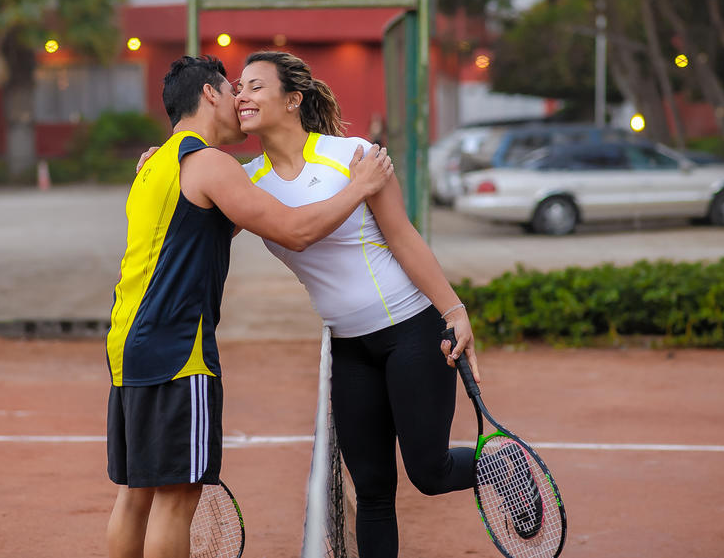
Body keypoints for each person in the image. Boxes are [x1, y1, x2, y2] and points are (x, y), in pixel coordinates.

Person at [139, 52, 481, 558]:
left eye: (255, 86)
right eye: (238, 87)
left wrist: (454, 311)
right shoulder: (245, 179)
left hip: (411, 329)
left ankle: (501, 467)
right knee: (372, 493)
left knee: (428, 474)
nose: (242, 97)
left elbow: (404, 238)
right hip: (347, 348)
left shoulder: (353, 156)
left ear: (292, 100)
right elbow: (192, 217)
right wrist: (165, 166)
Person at [106, 55, 394, 558]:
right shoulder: (211, 165)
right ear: (210, 95)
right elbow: (295, 231)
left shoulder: (157, 166)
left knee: (136, 496)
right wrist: (361, 187)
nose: (241, 98)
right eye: (233, 88)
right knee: (175, 501)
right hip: (178, 352)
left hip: (128, 348)